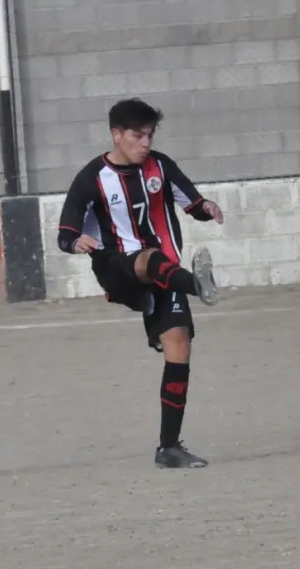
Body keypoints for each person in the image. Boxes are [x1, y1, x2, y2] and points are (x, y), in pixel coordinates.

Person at [56, 98, 225, 469]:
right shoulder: (91, 178)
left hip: (165, 272)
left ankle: (169, 448)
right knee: (150, 257)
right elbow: (65, 232)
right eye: (137, 135)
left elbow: (190, 201)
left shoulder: (160, 166)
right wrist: (75, 242)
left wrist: (208, 207)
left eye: (150, 135)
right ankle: (198, 286)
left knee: (179, 344)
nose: (145, 143)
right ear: (116, 135)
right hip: (117, 268)